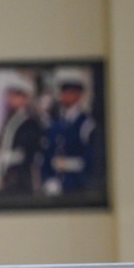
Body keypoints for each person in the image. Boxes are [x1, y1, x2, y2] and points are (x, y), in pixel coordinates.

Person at [41, 68, 97, 196]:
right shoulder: (56, 124)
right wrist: (48, 179)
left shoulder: (86, 125)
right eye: (63, 90)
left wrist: (65, 166)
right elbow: (48, 155)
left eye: (70, 91)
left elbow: (90, 161)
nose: (65, 95)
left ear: (79, 94)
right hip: (55, 186)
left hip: (77, 187)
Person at [0, 73, 44, 196]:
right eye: (9, 95)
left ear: (24, 98)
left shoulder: (30, 122)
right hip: (6, 175)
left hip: (20, 178)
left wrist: (9, 157)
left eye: (14, 95)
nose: (9, 98)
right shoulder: (9, 120)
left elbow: (29, 151)